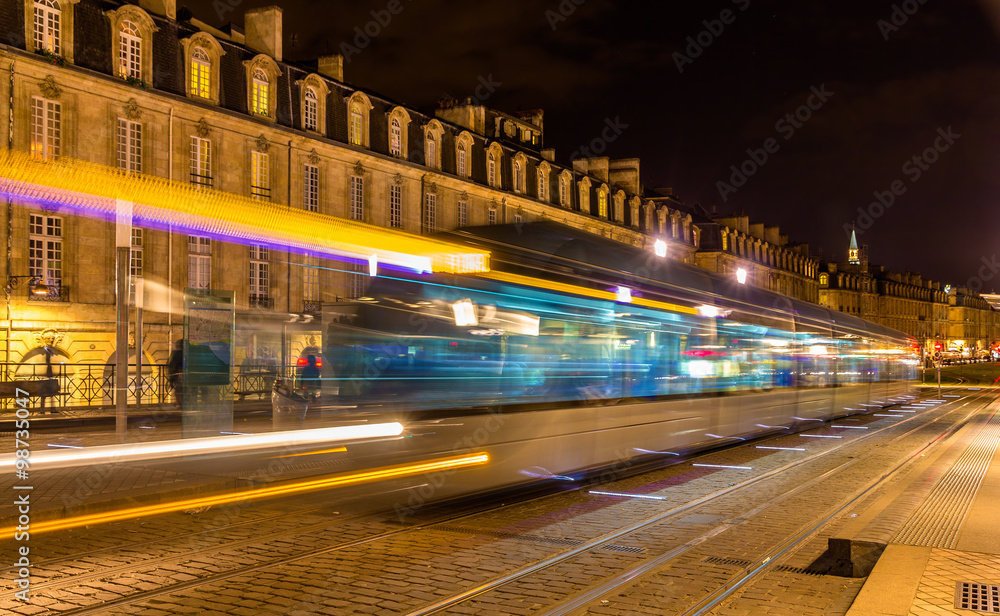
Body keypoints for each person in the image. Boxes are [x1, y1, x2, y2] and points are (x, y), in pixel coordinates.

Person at [167, 339, 183, 408]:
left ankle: (178, 403)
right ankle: (180, 403)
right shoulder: (182, 353)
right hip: (180, 373)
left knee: (178, 389)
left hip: (177, 374)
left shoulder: (175, 353)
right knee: (180, 389)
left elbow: (171, 364)